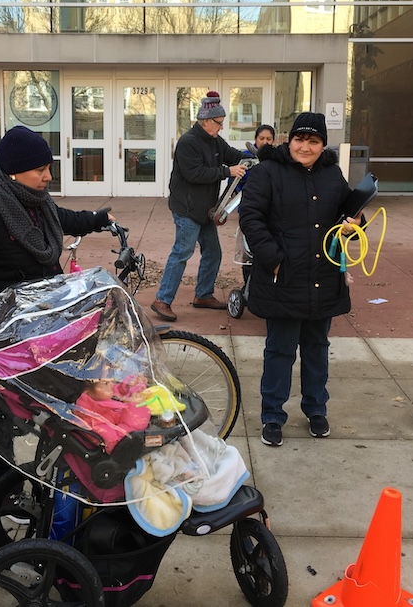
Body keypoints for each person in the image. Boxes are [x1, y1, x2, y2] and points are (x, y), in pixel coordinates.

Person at [238, 112, 360, 447]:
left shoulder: (332, 174)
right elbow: (250, 218)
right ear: (289, 140)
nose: (305, 147)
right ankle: (273, 416)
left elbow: (346, 218)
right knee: (279, 350)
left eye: (314, 141)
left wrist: (354, 226)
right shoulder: (267, 173)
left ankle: (316, 409)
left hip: (322, 277)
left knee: (317, 348)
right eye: (299, 140)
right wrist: (274, 260)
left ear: (322, 145)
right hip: (283, 278)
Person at [0, 125, 113, 301]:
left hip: (44, 306)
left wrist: (98, 219)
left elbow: (61, 218)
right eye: (40, 170)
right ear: (13, 172)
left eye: (49, 168)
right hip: (8, 319)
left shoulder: (32, 197)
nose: (48, 177)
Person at [150, 91, 248, 322]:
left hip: (205, 210)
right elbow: (195, 174)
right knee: (182, 252)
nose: (221, 127)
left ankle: (203, 295)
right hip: (187, 209)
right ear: (206, 121)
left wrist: (255, 155)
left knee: (213, 252)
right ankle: (162, 300)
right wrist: (228, 171)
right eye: (219, 123)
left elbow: (233, 155)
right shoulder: (188, 143)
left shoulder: (214, 141)